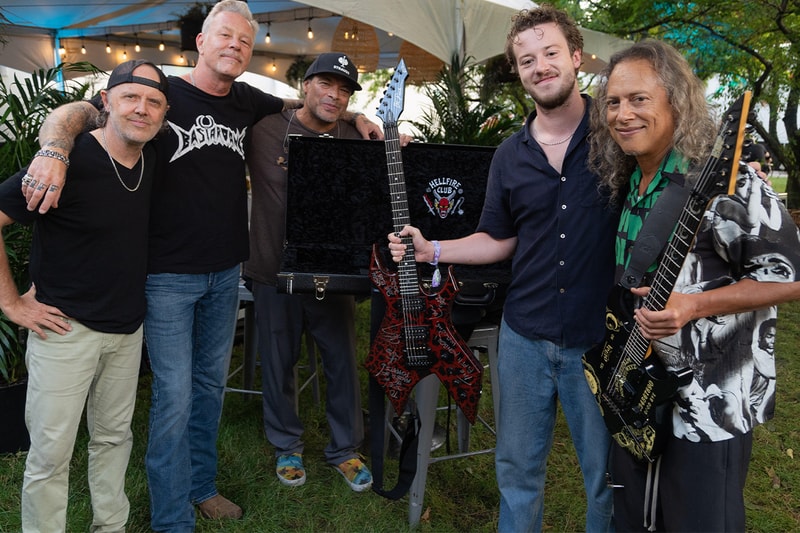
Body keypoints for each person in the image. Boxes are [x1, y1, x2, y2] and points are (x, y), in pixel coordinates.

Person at [22, 2, 382, 531]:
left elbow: (303, 105)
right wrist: (54, 146)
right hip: (166, 275)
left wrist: (354, 114)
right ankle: (171, 517)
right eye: (226, 36)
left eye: (245, 40)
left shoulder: (247, 101)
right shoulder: (158, 95)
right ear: (201, 42)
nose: (236, 46)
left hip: (224, 273)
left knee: (210, 388)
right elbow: (79, 110)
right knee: (175, 396)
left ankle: (201, 486)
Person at [387, 6, 616, 532]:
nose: (541, 67)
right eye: (527, 59)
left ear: (575, 57)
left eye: (551, 53)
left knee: (604, 477)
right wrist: (432, 250)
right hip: (524, 340)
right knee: (516, 470)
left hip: (599, 339)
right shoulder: (509, 156)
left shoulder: (615, 136)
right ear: (518, 71)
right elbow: (497, 238)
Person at [588, 38, 800, 531]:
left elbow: (790, 277)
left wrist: (695, 305)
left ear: (675, 102)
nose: (623, 114)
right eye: (614, 102)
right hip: (636, 391)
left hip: (710, 401)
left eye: (639, 99)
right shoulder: (630, 180)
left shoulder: (732, 185)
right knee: (637, 519)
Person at [0, 60, 168, 533]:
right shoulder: (69, 161)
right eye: (130, 97)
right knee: (51, 454)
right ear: (106, 103)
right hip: (65, 329)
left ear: (164, 112)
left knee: (115, 439)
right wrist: (12, 303)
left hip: (127, 329)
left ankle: (109, 527)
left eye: (154, 101)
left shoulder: (151, 155)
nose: (142, 109)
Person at [245, 52, 375, 491]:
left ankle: (345, 449)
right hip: (271, 268)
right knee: (279, 362)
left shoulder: (356, 140)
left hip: (331, 273)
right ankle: (287, 444)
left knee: (341, 362)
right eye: (326, 84)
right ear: (305, 84)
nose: (334, 95)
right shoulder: (263, 130)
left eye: (344, 90)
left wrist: (373, 125)